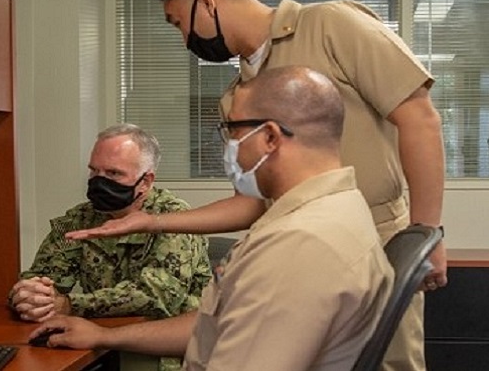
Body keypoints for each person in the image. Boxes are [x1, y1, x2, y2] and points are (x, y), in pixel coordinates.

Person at [70, 0, 447, 370]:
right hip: (299, 241)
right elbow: (250, 202)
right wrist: (151, 221)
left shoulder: (331, 26)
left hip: (374, 236)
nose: (184, 41)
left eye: (179, 23)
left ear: (207, 2)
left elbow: (418, 118)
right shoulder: (239, 95)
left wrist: (426, 233)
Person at [36, 65, 395, 370]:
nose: (229, 148)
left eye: (233, 131)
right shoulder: (333, 211)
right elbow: (219, 325)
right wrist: (103, 335)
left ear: (269, 136)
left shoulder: (300, 244)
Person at [8, 123, 212, 371]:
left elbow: (155, 297)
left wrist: (69, 305)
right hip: (99, 344)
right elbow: (40, 277)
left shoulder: (173, 218)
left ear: (145, 182)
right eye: (95, 172)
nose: (99, 182)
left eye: (114, 174)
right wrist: (29, 296)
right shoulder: (79, 219)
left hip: (166, 352)